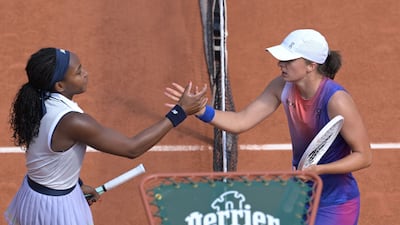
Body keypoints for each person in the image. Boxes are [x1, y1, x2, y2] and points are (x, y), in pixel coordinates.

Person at [165, 29, 372, 225]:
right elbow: (241, 121)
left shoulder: (336, 101)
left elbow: (364, 156)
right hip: (300, 195)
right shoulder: (282, 86)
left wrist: (319, 169)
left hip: (335, 202)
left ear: (311, 65)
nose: (280, 64)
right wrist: (201, 111)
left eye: (289, 60)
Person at [5, 47, 207, 225]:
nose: (86, 73)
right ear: (60, 86)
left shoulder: (38, 101)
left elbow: (49, 156)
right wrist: (180, 111)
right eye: (78, 72)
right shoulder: (73, 122)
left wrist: (78, 185)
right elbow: (132, 148)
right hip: (55, 209)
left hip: (35, 194)